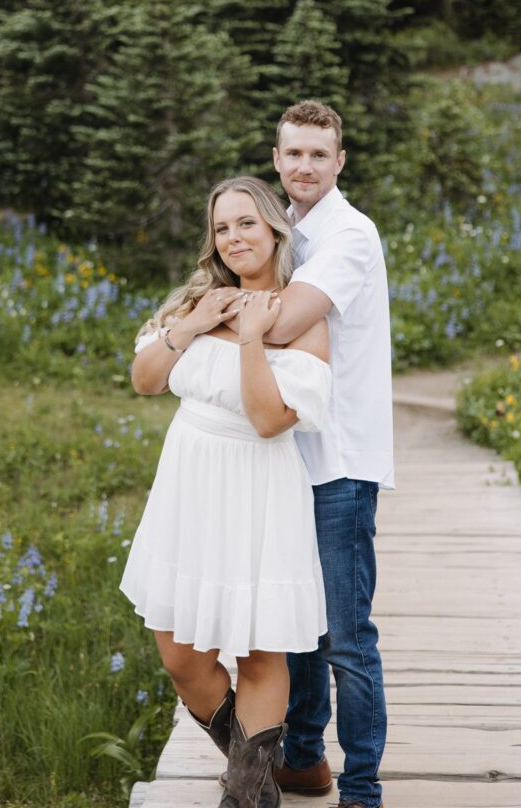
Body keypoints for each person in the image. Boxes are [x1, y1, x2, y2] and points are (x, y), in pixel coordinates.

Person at [120, 176, 332, 808]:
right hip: (190, 486)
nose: (234, 237)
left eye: (246, 223)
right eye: (222, 227)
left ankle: (247, 798)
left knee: (263, 653)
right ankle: (260, 778)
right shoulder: (198, 300)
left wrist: (247, 339)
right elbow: (144, 379)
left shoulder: (301, 317)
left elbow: (270, 420)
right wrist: (196, 325)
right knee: (181, 654)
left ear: (274, 228)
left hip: (259, 486)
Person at [251, 100, 394, 808]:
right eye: (293, 154)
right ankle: (303, 759)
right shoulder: (281, 229)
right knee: (296, 625)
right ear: (276, 160)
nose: (304, 166)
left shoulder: (348, 235)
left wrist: (204, 321)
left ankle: (361, 790)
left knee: (344, 636)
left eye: (318, 154)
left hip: (339, 462)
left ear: (339, 162)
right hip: (285, 456)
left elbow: (281, 323)